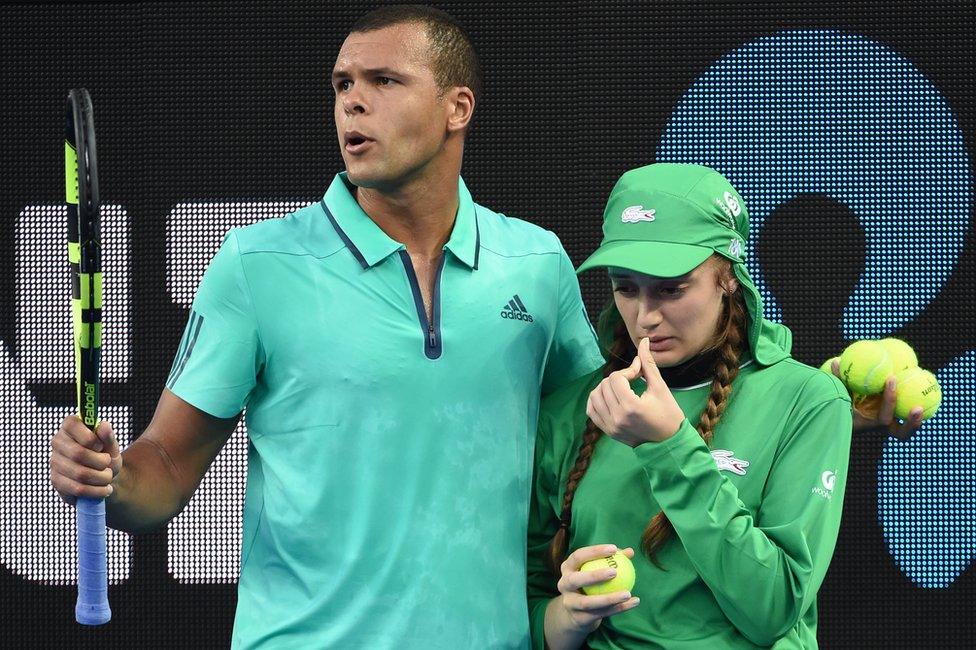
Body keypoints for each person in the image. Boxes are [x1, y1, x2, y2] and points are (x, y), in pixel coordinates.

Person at [49, 5, 603, 648]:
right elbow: (166, 467)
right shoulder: (256, 265)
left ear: (458, 108)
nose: (353, 104)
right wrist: (112, 479)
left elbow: (585, 453)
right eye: (342, 84)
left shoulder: (538, 264)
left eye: (383, 81)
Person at [527, 163, 856, 649]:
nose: (646, 316)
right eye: (625, 287)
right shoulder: (571, 409)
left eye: (671, 287)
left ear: (727, 277)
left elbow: (774, 608)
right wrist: (561, 618)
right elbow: (524, 604)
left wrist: (667, 446)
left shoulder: (810, 402)